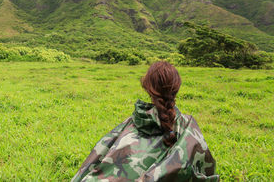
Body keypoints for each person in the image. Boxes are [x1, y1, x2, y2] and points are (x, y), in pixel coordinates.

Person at [72, 61, 219, 181]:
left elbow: (98, 160)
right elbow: (206, 168)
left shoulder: (132, 123)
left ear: (147, 88)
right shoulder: (188, 127)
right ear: (177, 88)